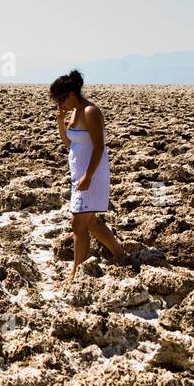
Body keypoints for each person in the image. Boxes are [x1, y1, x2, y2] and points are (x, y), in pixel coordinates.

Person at [50, 69, 128, 278]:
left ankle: (77, 273)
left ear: (72, 94)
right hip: (80, 175)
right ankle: (120, 255)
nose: (59, 103)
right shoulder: (75, 112)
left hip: (91, 175)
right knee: (90, 221)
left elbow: (99, 147)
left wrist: (88, 176)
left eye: (60, 99)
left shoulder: (90, 112)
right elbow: (69, 143)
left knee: (78, 222)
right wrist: (61, 122)